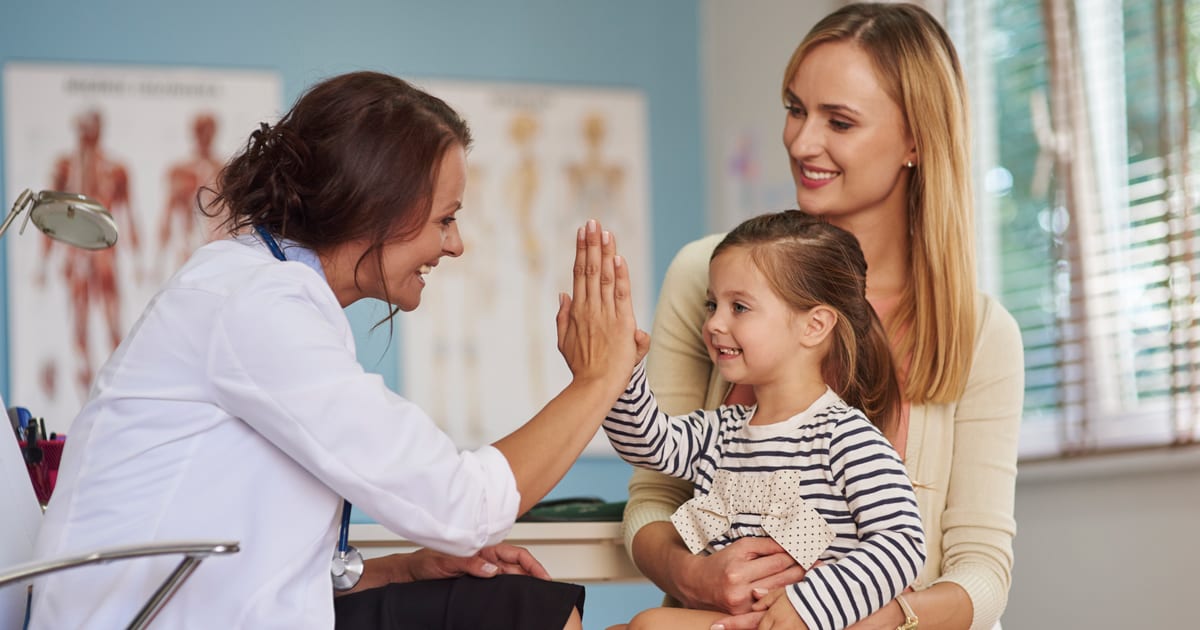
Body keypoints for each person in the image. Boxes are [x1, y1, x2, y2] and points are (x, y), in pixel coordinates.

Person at [30, 71, 646, 630]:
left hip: (193, 610)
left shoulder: (262, 291)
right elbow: (464, 505)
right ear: (376, 208)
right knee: (519, 612)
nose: (455, 245)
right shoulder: (256, 307)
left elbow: (262, 566)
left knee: (514, 604)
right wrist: (598, 380)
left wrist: (399, 570)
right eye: (446, 218)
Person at [622, 4, 1024, 630]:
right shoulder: (707, 274)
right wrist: (693, 575)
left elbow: (981, 567)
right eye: (795, 108)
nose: (802, 142)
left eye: (839, 121)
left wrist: (882, 618)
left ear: (915, 139)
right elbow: (654, 495)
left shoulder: (979, 332)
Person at [605, 211, 925, 630]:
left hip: (801, 623)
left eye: (739, 307)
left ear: (814, 325)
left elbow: (902, 546)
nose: (714, 323)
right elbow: (646, 444)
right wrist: (616, 370)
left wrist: (805, 608)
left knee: (648, 625)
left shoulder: (846, 438)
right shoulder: (719, 430)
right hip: (731, 619)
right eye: (711, 304)